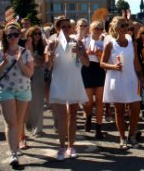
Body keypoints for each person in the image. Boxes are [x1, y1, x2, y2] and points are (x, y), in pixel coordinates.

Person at [45, 16, 90, 160]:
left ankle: (71, 146)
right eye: (62, 27)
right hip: (59, 82)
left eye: (68, 27)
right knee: (62, 117)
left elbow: (87, 63)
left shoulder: (78, 42)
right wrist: (50, 56)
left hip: (74, 81)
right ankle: (61, 147)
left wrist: (80, 53)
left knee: (73, 116)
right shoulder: (53, 43)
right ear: (58, 28)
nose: (65, 29)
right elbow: (49, 66)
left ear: (72, 29)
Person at [0, 23, 34, 167]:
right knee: (11, 123)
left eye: (16, 35)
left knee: (18, 122)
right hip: (5, 90)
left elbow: (29, 73)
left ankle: (15, 145)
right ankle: (13, 153)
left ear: (19, 36)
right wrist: (3, 63)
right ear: (5, 37)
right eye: (10, 35)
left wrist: (20, 61)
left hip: (23, 90)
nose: (14, 38)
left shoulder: (25, 52)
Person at [101, 16, 144, 149]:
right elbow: (102, 63)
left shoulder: (132, 42)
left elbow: (136, 64)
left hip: (132, 78)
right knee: (119, 110)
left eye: (127, 26)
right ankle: (122, 137)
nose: (126, 28)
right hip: (116, 79)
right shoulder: (110, 44)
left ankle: (131, 134)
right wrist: (113, 66)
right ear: (115, 28)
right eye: (122, 26)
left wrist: (142, 80)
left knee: (135, 109)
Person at [82, 21, 106, 139]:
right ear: (91, 29)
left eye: (101, 28)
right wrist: (88, 52)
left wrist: (99, 54)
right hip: (87, 69)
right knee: (88, 102)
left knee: (100, 101)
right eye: (96, 28)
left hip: (99, 69)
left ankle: (98, 128)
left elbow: (106, 58)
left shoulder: (104, 41)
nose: (98, 30)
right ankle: (88, 116)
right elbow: (79, 56)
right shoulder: (85, 40)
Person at [25, 26, 47, 138]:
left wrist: (31, 54)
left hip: (38, 74)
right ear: (30, 35)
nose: (37, 36)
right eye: (35, 34)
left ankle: (38, 129)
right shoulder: (23, 46)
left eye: (39, 34)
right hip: (25, 75)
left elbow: (41, 62)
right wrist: (30, 53)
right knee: (27, 102)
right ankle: (29, 123)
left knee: (38, 102)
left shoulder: (42, 47)